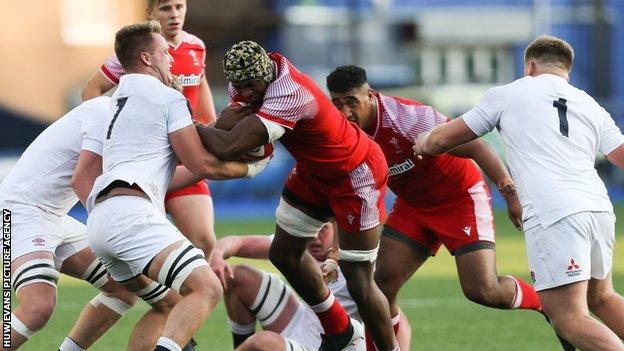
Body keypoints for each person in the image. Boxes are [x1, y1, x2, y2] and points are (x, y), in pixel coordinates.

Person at [325, 65, 576, 350]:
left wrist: (511, 194)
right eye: (337, 104)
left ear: (370, 95)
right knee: (378, 288)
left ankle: (546, 304)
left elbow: (477, 148)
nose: (345, 113)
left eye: (351, 102)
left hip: (460, 197)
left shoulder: (409, 119)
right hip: (414, 207)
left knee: (482, 290)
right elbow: (344, 193)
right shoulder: (342, 134)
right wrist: (334, 251)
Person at [413, 35, 624, 351]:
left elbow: (446, 138)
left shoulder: (509, 93)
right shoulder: (588, 103)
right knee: (601, 297)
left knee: (567, 317)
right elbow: (620, 156)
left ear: (530, 65)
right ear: (566, 69)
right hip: (599, 209)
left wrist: (423, 142)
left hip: (556, 212)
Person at [196, 40, 398, 350]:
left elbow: (226, 145)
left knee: (358, 279)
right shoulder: (251, 74)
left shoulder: (289, 93)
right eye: (239, 86)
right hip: (314, 171)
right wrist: (214, 129)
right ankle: (339, 330)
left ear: (264, 73)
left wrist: (184, 123)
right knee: (283, 253)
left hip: (355, 173)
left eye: (251, 85)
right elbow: (226, 128)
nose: (245, 93)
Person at [84, 22, 267, 351]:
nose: (171, 59)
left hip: (100, 220)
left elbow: (178, 174)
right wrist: (250, 169)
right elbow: (202, 164)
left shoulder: (113, 103)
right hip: (132, 215)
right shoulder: (167, 97)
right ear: (146, 58)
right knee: (207, 287)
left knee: (165, 304)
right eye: (164, 53)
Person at [0, 95, 194, 351]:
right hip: (18, 212)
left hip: (53, 216)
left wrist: (209, 166)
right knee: (38, 306)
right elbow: (83, 180)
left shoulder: (122, 122)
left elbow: (145, 183)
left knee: (129, 290)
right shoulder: (105, 114)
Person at [81, 0, 219, 258]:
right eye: (166, 8)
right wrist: (111, 132)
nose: (174, 14)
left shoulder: (196, 46)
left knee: (204, 241)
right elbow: (91, 90)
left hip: (182, 160)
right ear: (151, 13)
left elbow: (199, 84)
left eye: (179, 7)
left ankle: (191, 293)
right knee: (146, 253)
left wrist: (213, 128)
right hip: (144, 163)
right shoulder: (136, 51)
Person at [209, 223, 412, 351]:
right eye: (310, 229)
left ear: (335, 226)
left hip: (343, 343)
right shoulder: (294, 247)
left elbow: (396, 317)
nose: (314, 237)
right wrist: (217, 255)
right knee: (239, 276)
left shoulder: (359, 264)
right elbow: (236, 242)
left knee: (264, 344)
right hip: (301, 324)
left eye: (322, 228)